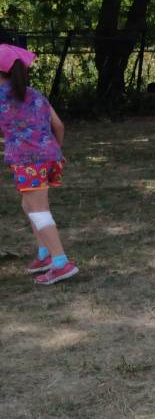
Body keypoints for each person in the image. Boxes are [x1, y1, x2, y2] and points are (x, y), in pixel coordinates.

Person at [0, 44, 78, 284]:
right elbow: (59, 126)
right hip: (51, 157)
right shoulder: (35, 94)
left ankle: (60, 262)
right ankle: (44, 255)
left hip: (27, 162)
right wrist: (56, 151)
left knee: (39, 210)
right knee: (29, 204)